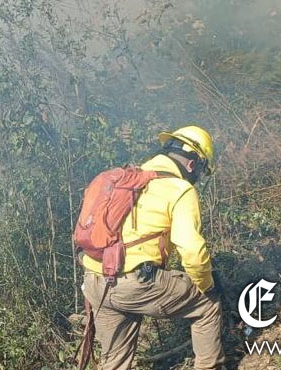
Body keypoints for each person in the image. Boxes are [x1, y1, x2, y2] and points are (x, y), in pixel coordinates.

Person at [80, 126, 224, 370]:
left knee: (114, 362)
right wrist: (206, 284)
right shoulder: (180, 189)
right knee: (207, 304)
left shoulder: (128, 179)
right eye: (201, 171)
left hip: (95, 282)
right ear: (192, 164)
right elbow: (192, 251)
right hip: (135, 283)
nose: (199, 178)